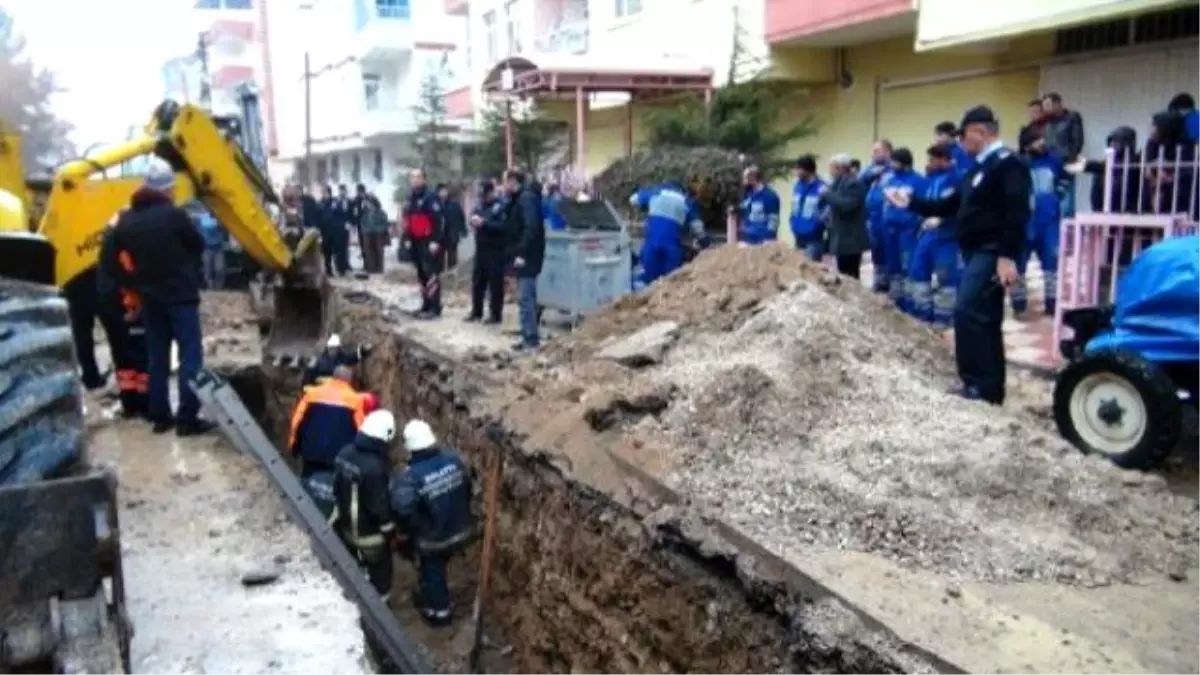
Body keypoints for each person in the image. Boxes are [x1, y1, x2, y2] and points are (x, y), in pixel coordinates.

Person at [885, 105, 1031, 405]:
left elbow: (1017, 212)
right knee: (981, 317)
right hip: (976, 252)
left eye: (963, 135)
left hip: (991, 253)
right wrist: (909, 202)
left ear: (980, 131)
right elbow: (948, 206)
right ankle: (985, 387)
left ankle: (980, 385)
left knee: (968, 311)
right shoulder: (978, 169)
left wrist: (1007, 256)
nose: (961, 143)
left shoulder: (1007, 164)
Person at [107, 164, 215, 435]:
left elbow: (110, 258)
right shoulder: (174, 215)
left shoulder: (127, 220)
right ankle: (187, 418)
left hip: (150, 298)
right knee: (190, 356)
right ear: (167, 189)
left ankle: (160, 416)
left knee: (157, 358)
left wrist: (133, 284)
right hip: (181, 297)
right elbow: (198, 244)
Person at [389, 419, 472, 626]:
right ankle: (434, 594)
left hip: (433, 539)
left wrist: (414, 529)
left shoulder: (410, 477)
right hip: (461, 530)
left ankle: (440, 612)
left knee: (431, 569)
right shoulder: (454, 460)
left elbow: (402, 510)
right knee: (438, 563)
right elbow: (467, 489)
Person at [332, 409, 399, 601]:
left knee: (355, 568)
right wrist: (390, 533)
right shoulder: (375, 467)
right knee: (380, 574)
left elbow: (336, 489)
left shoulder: (344, 453)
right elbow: (379, 508)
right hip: (370, 536)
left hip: (346, 529)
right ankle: (380, 610)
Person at [289, 365, 368, 517]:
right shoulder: (356, 400)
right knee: (332, 492)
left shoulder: (312, 394)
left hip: (311, 452)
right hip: (338, 456)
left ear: (333, 377)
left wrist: (294, 446)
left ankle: (300, 516)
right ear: (349, 381)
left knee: (306, 485)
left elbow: (296, 422)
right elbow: (361, 431)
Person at [95, 210, 149, 418]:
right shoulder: (123, 246)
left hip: (110, 304)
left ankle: (129, 403)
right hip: (125, 303)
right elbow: (130, 274)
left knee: (122, 355)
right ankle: (145, 403)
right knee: (140, 353)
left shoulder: (108, 246)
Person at [1013, 126, 1069, 318]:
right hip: (1023, 222)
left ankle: (1052, 305)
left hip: (1049, 221)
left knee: (1051, 263)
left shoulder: (1054, 160)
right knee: (1018, 265)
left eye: (1042, 138)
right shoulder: (1017, 163)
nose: (1042, 142)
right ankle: (1019, 306)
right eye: (1037, 140)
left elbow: (1065, 180)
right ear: (1027, 144)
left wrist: (1057, 196)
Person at [906, 144, 962, 329]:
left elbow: (957, 207)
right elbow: (926, 204)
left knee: (947, 279)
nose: (928, 163)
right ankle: (924, 318)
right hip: (927, 236)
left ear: (944, 159)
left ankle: (944, 322)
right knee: (917, 274)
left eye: (932, 160)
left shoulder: (957, 179)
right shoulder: (931, 179)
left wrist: (942, 219)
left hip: (948, 237)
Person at [629, 181, 708, 285]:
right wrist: (705, 243)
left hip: (650, 247)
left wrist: (647, 204)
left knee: (646, 281)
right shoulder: (687, 202)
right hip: (672, 251)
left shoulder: (655, 193)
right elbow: (699, 230)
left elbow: (633, 199)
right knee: (670, 284)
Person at [505, 169, 545, 352]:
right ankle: (526, 335)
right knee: (524, 298)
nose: (502, 186)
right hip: (523, 254)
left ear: (513, 181)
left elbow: (531, 228)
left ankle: (531, 339)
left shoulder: (526, 199)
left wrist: (521, 253)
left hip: (528, 257)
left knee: (526, 297)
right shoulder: (519, 198)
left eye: (504, 181)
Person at [880, 148, 925, 309]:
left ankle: (909, 301)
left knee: (908, 264)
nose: (891, 164)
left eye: (894, 161)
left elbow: (923, 206)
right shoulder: (890, 179)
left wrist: (916, 225)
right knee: (893, 264)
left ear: (904, 162)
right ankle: (896, 299)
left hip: (908, 230)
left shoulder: (918, 181)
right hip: (889, 229)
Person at [818, 153, 870, 278]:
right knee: (842, 273)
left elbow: (847, 205)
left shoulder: (853, 184)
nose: (829, 171)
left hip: (851, 239)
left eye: (831, 167)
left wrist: (828, 194)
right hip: (839, 237)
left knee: (850, 274)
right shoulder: (835, 184)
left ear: (840, 168)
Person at [402, 169, 445, 319]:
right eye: (412, 177)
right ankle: (425, 304)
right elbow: (406, 220)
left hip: (428, 240)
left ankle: (435, 307)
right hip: (415, 240)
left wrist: (435, 240)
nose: (415, 180)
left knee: (431, 273)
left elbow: (438, 220)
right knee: (421, 274)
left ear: (424, 179)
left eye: (418, 177)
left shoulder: (430, 197)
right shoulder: (409, 197)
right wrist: (406, 238)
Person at [465, 180, 509, 324]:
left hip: (495, 250)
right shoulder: (480, 205)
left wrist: (485, 223)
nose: (483, 198)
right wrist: (473, 221)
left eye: (485, 195)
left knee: (495, 284)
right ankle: (476, 311)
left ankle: (495, 314)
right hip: (481, 249)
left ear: (491, 192)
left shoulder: (501, 206)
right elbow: (472, 217)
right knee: (478, 282)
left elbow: (503, 227)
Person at [1041, 92, 1085, 219]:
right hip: (1050, 166)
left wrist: (1070, 161)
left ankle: (1068, 234)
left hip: (1066, 164)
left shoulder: (1072, 117)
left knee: (1066, 203)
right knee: (1052, 201)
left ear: (1058, 104)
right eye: (1044, 106)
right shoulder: (1048, 122)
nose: (1046, 109)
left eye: (1048, 105)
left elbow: (1078, 141)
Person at [861, 140, 893, 293]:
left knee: (889, 251)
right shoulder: (870, 171)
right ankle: (879, 282)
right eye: (872, 151)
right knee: (876, 251)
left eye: (877, 150)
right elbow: (860, 182)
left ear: (887, 152)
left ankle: (890, 284)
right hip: (872, 219)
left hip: (886, 217)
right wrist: (871, 175)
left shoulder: (893, 170)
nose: (873, 154)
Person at [789, 154, 827, 262]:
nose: (796, 172)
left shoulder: (821, 188)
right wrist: (792, 224)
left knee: (811, 271)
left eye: (798, 169)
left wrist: (817, 226)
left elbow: (827, 212)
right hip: (798, 237)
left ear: (807, 170)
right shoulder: (797, 186)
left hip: (813, 239)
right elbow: (794, 209)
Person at [737, 165, 780, 245]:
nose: (743, 181)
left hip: (763, 241)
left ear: (752, 178)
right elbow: (745, 215)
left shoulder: (770, 196)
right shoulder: (748, 195)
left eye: (745, 178)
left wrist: (769, 240)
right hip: (747, 239)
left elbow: (773, 221)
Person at [436, 183, 467, 270]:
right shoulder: (434, 204)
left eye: (444, 191)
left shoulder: (454, 204)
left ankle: (452, 276)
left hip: (452, 234)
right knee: (439, 259)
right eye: (441, 191)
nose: (443, 193)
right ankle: (440, 275)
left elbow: (461, 217)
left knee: (452, 258)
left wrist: (463, 230)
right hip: (439, 236)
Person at [318, 186, 347, 276]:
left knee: (338, 251)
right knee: (327, 252)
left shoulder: (336, 202)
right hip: (325, 231)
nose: (323, 194)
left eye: (325, 192)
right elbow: (317, 215)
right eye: (322, 193)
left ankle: (341, 270)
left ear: (329, 193)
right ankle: (328, 270)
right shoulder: (320, 203)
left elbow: (342, 213)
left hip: (336, 230)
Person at [196, 208, 227, 290]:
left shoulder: (220, 219)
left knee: (219, 268)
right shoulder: (202, 218)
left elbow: (224, 232)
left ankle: (219, 287)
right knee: (207, 269)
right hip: (206, 248)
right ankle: (210, 287)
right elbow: (198, 232)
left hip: (218, 248)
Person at [359, 195, 389, 274]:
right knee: (368, 251)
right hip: (367, 234)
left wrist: (377, 229)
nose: (367, 205)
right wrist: (365, 230)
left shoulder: (381, 212)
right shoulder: (365, 213)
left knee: (379, 251)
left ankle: (379, 268)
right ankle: (370, 268)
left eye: (369, 203)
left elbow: (385, 224)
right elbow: (362, 223)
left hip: (378, 234)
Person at [335, 184, 354, 271]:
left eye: (344, 190)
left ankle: (346, 264)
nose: (342, 192)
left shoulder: (349, 201)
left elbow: (351, 214)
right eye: (341, 190)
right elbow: (334, 214)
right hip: (337, 227)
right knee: (339, 247)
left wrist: (351, 223)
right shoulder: (336, 201)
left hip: (347, 227)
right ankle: (339, 266)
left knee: (346, 246)